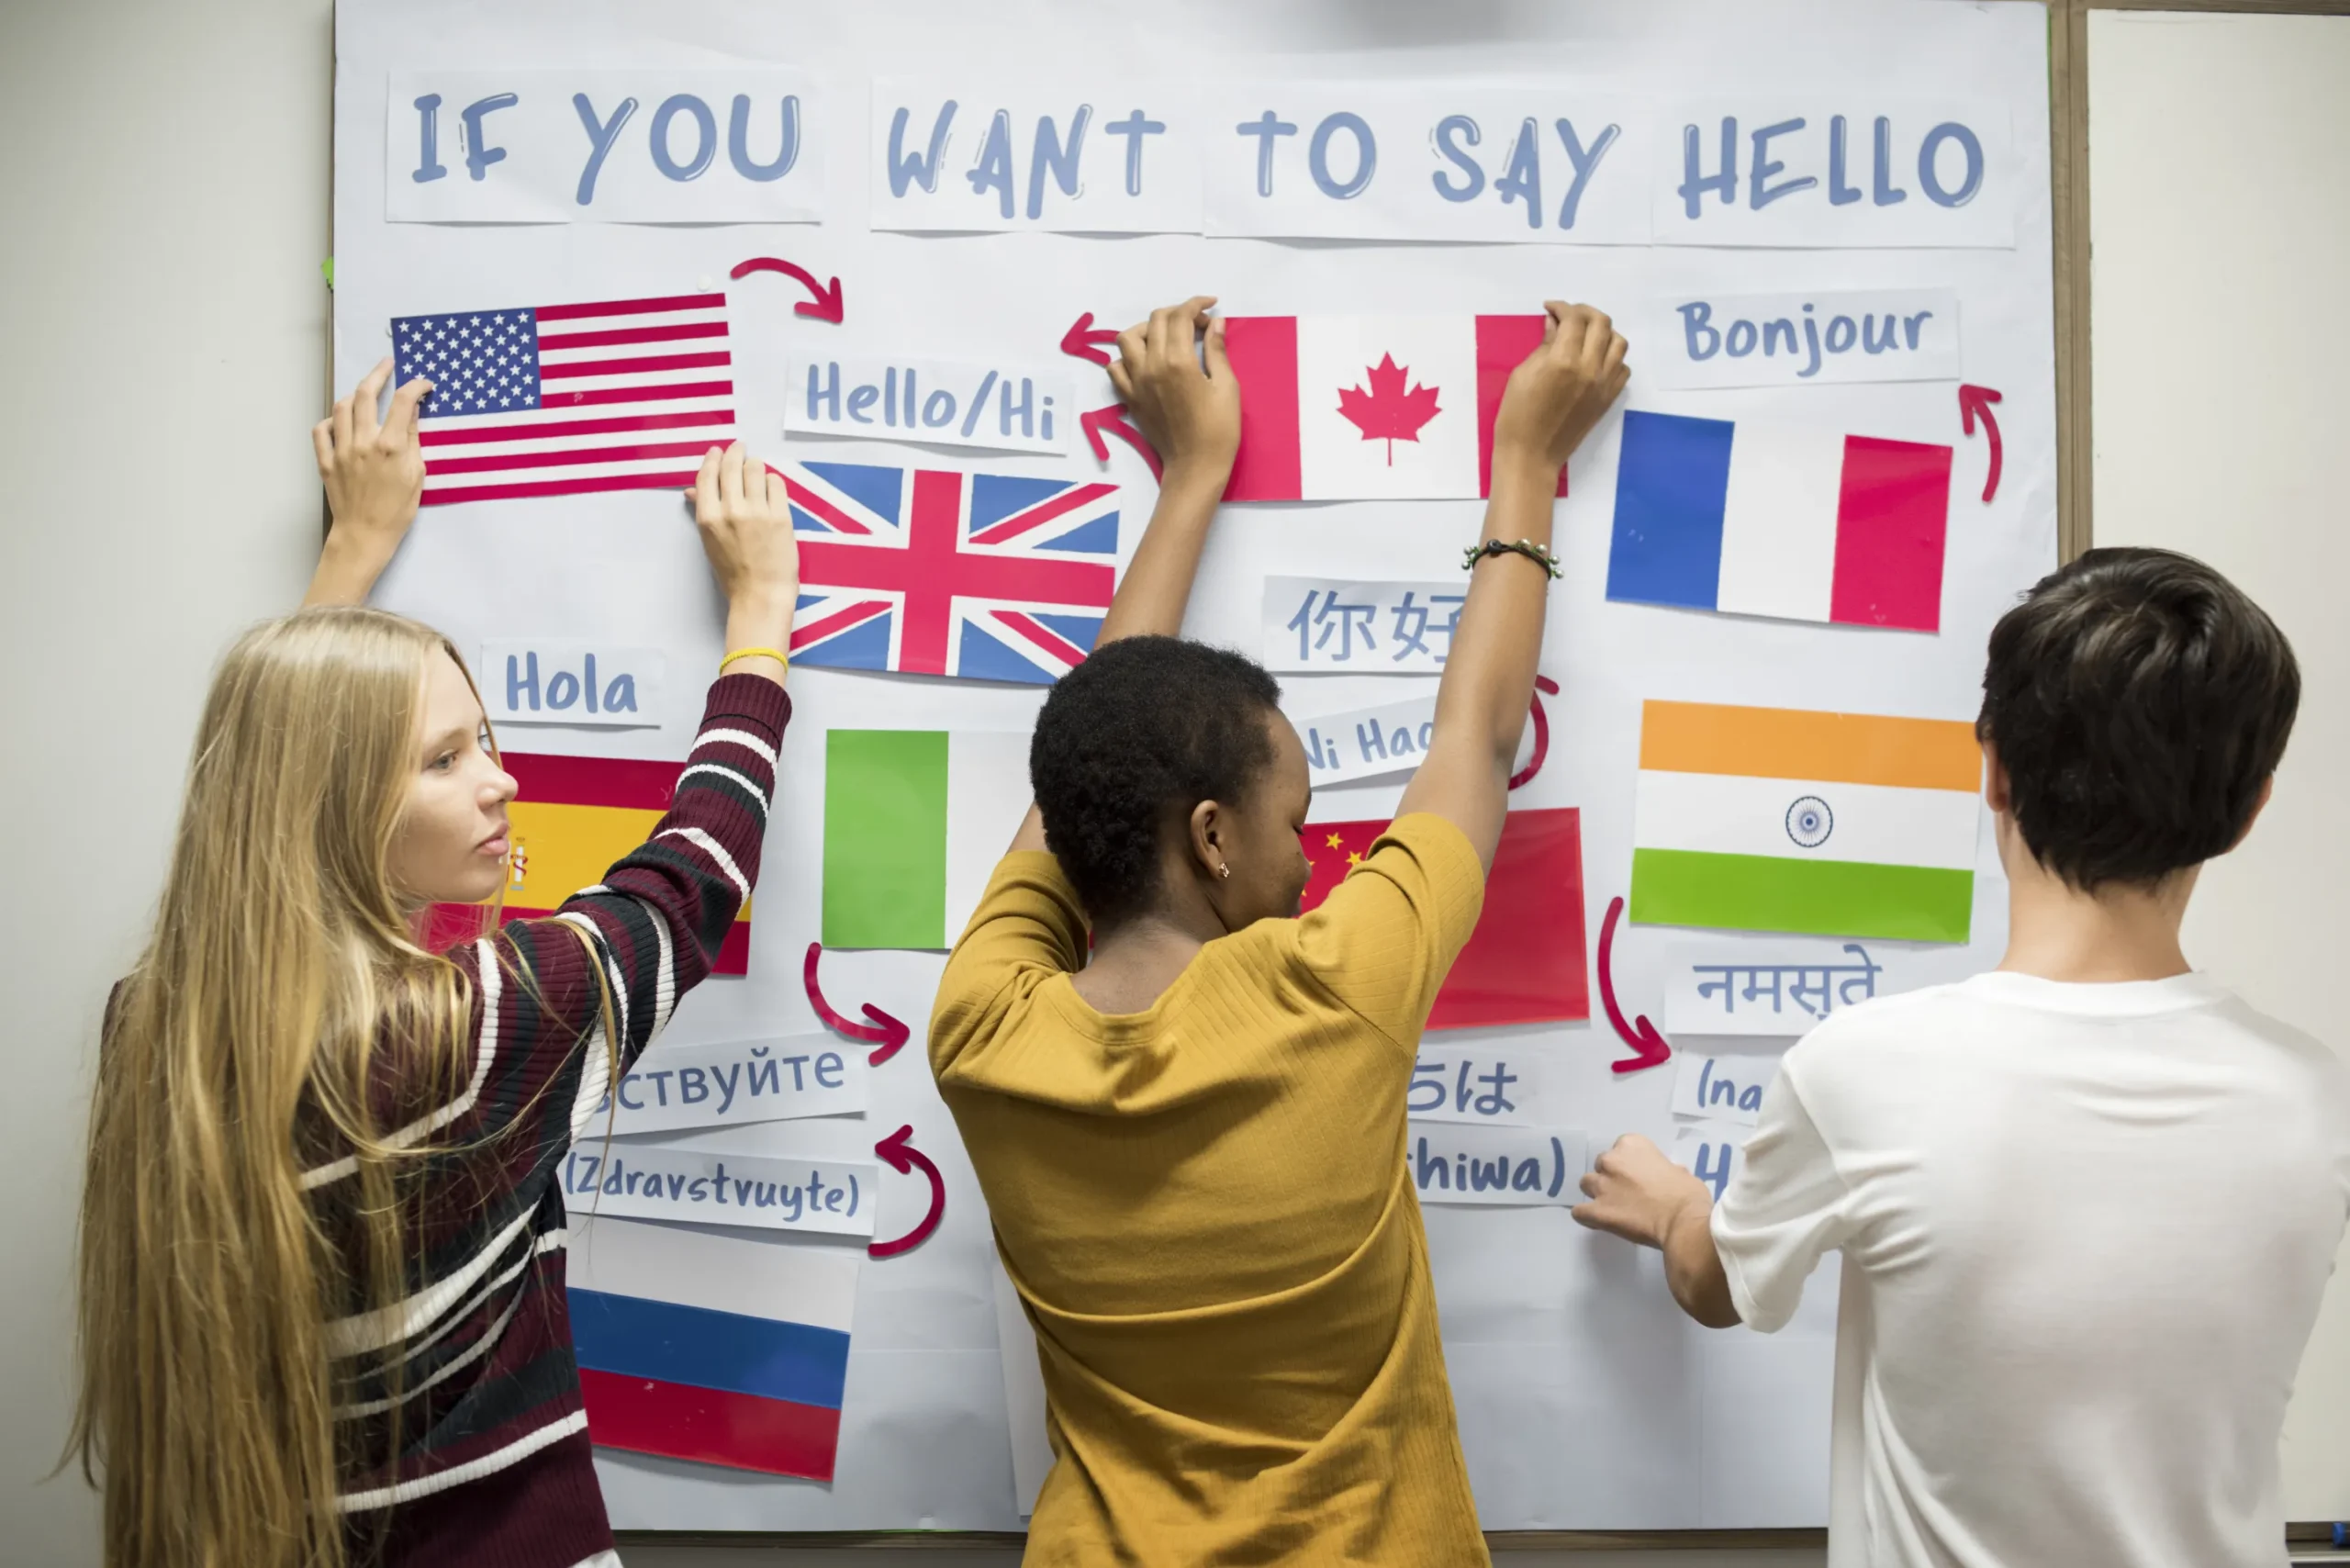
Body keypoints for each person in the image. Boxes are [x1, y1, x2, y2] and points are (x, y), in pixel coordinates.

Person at [931, 297, 1628, 1564]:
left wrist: (1188, 472)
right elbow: (1472, 743)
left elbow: (1081, 762)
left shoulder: (981, 1025)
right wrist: (1529, 464)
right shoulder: (1332, 989)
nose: (1313, 858)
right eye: (1294, 820)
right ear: (1210, 838)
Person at [71, 360, 800, 1568]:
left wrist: (352, 554)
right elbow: (686, 886)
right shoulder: (466, 1036)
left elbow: (264, 805)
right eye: (446, 757)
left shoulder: (156, 1027)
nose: (501, 781)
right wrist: (759, 622)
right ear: (342, 796)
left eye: (489, 739)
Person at [1572, 548, 2350, 1568]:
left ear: (1993, 769)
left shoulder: (1864, 1069)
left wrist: (1678, 1207)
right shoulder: (2317, 1099)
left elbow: (1720, 1283)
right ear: (2249, 809)